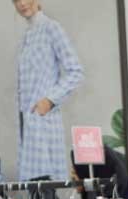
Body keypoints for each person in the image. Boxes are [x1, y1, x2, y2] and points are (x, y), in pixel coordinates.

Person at [13, 0, 84, 181]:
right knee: (34, 185)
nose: (21, 4)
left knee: (46, 183)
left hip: (44, 120)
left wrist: (49, 100)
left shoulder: (51, 28)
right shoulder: (27, 35)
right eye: (15, 0)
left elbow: (75, 71)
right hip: (27, 121)